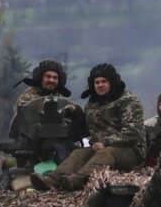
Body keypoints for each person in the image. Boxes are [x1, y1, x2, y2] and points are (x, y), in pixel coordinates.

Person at [32, 63, 145, 191]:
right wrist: (76, 115)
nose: (100, 85)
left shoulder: (128, 101)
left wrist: (105, 142)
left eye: (104, 81)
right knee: (79, 153)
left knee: (106, 153)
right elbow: (87, 130)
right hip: (101, 148)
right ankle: (51, 180)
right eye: (97, 82)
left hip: (130, 151)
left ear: (112, 82)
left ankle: (76, 181)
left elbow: (132, 133)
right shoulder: (92, 104)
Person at [0, 60, 80, 189]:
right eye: (48, 77)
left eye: (55, 78)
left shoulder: (62, 100)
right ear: (41, 77)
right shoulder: (28, 97)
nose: (51, 80)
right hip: (30, 139)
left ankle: (64, 177)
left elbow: (71, 121)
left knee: (72, 150)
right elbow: (23, 121)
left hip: (57, 139)